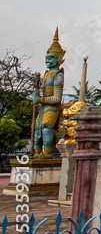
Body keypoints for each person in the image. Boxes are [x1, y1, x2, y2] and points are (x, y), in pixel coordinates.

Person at [33, 28, 65, 157]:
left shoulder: (58, 75)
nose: (47, 60)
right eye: (46, 57)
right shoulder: (47, 74)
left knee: (46, 128)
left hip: (52, 108)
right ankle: (36, 152)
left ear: (58, 58)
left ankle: (47, 153)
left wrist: (40, 100)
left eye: (51, 58)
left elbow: (57, 98)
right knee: (37, 129)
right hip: (43, 108)